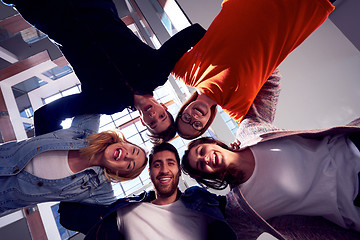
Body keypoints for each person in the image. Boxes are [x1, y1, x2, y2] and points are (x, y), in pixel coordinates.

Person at [181, 69, 360, 232]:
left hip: (352, 148)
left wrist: (211, 97)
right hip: (352, 204)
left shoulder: (249, 131)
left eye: (202, 151)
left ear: (213, 143)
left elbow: (270, 77)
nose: (204, 159)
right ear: (208, 176)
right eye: (200, 165)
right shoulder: (241, 208)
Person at [4, 0, 206, 142]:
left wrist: (53, 155)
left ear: (144, 123)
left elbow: (47, 115)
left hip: (47, 12)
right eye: (162, 116)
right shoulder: (158, 72)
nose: (154, 115)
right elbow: (192, 34)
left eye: (153, 123)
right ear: (163, 106)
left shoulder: (107, 104)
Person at [171, 0, 335, 139]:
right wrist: (242, 143)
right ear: (207, 123)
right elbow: (259, 131)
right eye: (197, 125)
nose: (194, 117)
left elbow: (151, 61)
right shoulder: (237, 108)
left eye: (185, 118)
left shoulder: (185, 71)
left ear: (183, 109)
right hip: (299, 10)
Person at [58, 143, 240, 240]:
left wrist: (235, 158)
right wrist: (100, 165)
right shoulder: (126, 211)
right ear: (150, 172)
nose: (164, 170)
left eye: (170, 163)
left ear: (178, 169)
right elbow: (68, 215)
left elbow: (241, 204)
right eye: (157, 165)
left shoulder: (201, 203)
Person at [0, 113, 147, 215]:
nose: (127, 156)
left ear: (120, 173)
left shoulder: (99, 190)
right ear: (123, 142)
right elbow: (97, 94)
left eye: (129, 165)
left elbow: (123, 214)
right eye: (133, 151)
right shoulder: (84, 131)